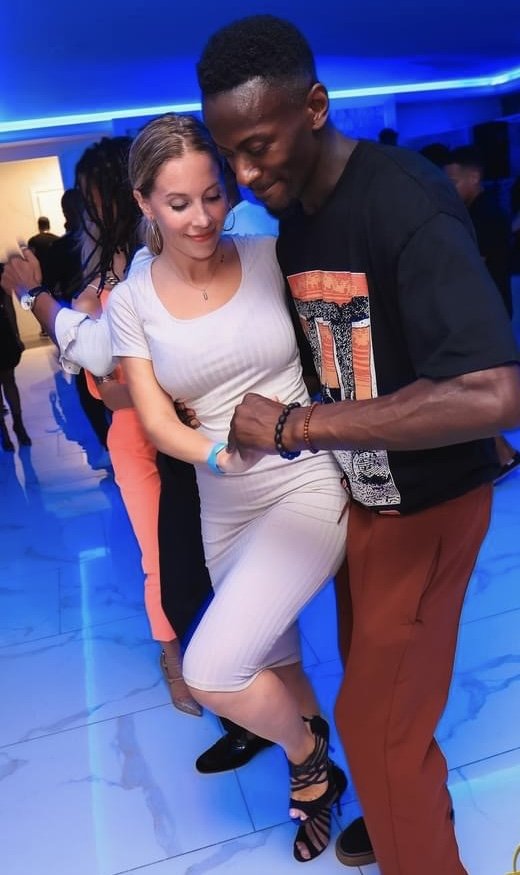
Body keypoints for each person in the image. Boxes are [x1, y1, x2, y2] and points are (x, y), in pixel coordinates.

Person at [196, 14, 520, 875]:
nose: (244, 173)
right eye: (229, 154)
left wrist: (299, 427)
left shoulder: (405, 201)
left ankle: (413, 836)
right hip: (365, 502)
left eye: (258, 146)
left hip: (430, 505)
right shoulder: (295, 216)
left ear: (314, 105)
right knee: (386, 706)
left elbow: (494, 393)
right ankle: (397, 801)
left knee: (377, 718)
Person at [107, 111, 349, 863]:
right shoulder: (132, 301)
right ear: (145, 202)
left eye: (211, 196)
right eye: (178, 203)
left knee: (213, 668)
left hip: (305, 479)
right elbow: (153, 419)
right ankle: (316, 768)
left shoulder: (271, 254)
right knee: (274, 664)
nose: (201, 217)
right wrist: (218, 453)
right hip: (225, 500)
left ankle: (311, 763)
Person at [2, 137, 202, 717]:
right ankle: (173, 657)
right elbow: (91, 372)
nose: (89, 213)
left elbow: (105, 359)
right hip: (135, 438)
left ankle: (219, 652)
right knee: (156, 555)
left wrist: (40, 300)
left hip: (181, 431)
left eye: (95, 200)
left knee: (204, 548)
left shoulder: (153, 265)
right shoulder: (108, 271)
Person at [443, 145, 520, 481]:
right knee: (470, 385)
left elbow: (476, 265)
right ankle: (501, 452)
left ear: (474, 177)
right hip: (479, 311)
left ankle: (503, 453)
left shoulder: (489, 213)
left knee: (474, 386)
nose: (451, 187)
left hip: (486, 312)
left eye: (454, 180)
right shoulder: (473, 212)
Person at [0, 264, 31, 451]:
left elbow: (8, 305)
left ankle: (10, 429)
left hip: (2, 331)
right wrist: (16, 335)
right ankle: (15, 426)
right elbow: (8, 305)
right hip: (2, 330)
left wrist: (16, 336)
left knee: (8, 380)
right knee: (9, 381)